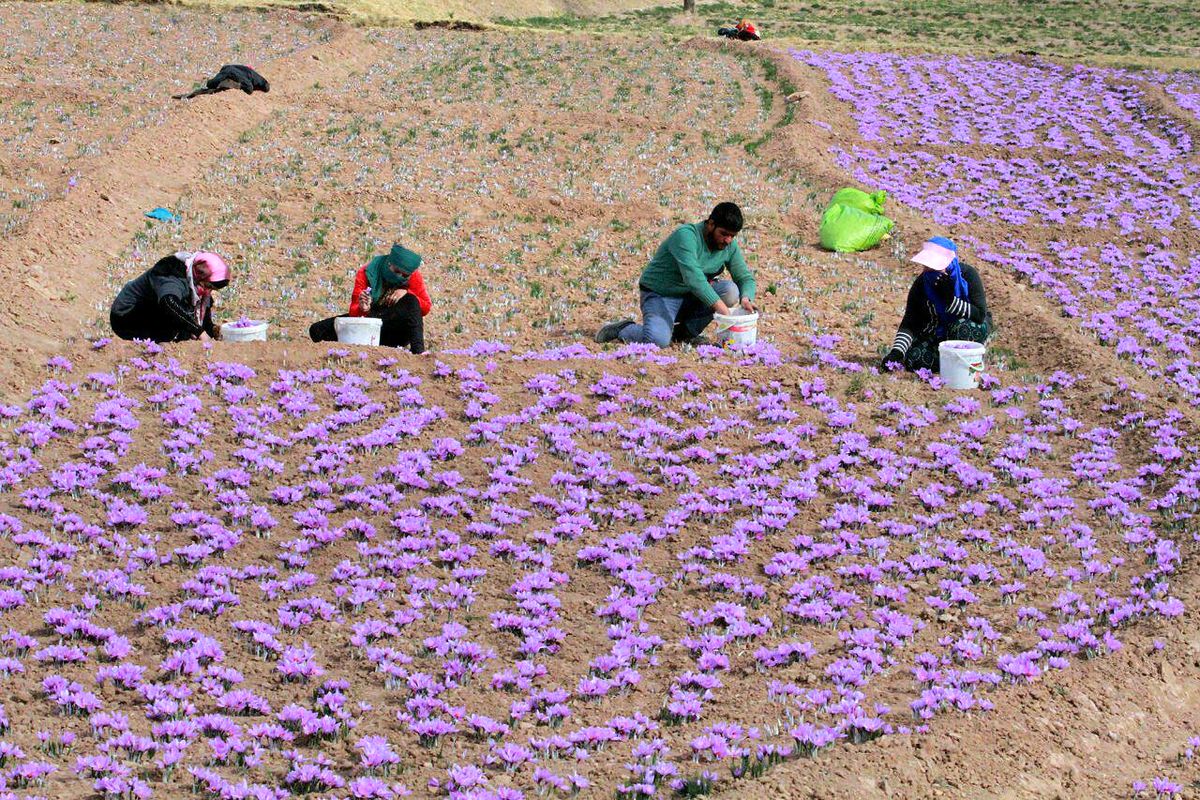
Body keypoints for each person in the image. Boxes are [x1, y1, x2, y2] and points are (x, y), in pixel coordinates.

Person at [596, 202, 756, 348]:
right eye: (724, 233)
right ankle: (624, 329)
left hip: (689, 296)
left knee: (730, 291)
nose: (728, 240)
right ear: (711, 224)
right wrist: (726, 313)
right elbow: (694, 279)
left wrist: (745, 298)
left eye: (732, 236)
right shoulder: (686, 236)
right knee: (657, 340)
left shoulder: (728, 245)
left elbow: (744, 277)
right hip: (661, 294)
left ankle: (684, 334)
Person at [880, 236, 992, 372]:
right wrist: (897, 352)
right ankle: (949, 362)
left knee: (966, 329)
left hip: (966, 328)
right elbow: (910, 322)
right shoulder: (921, 284)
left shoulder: (968, 275)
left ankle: (967, 358)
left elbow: (979, 315)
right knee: (914, 358)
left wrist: (951, 301)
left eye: (934, 267)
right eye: (926, 266)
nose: (928, 271)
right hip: (938, 334)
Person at [309, 244, 431, 354]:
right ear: (389, 263)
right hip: (371, 321)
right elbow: (354, 312)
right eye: (397, 271)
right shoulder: (367, 272)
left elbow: (425, 307)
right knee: (318, 330)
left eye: (405, 275)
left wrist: (406, 292)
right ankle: (353, 349)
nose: (400, 277)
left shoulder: (413, 276)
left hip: (395, 327)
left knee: (412, 301)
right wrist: (364, 308)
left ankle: (418, 352)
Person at [110, 251, 229, 342]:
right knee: (177, 316)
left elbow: (201, 315)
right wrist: (198, 331)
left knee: (186, 319)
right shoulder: (170, 273)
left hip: (151, 310)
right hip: (127, 316)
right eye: (208, 286)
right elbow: (168, 303)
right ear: (201, 275)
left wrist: (212, 329)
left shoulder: (195, 278)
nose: (208, 291)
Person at [173, 65, 270, 100]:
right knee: (211, 87)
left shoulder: (253, 75)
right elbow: (248, 89)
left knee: (210, 86)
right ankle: (189, 92)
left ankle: (191, 89)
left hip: (228, 70)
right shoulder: (251, 84)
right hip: (229, 74)